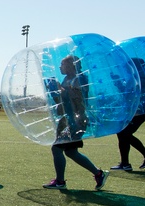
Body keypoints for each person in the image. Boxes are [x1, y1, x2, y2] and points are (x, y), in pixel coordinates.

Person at [43, 54, 107, 191]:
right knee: (71, 152)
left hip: (75, 121)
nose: (60, 67)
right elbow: (62, 104)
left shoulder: (80, 79)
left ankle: (60, 181)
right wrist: (54, 92)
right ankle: (98, 173)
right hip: (67, 120)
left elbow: (76, 99)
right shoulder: (67, 79)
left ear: (72, 66)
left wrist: (59, 90)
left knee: (57, 148)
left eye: (63, 64)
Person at [111, 58, 145, 172]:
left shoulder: (140, 77)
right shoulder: (139, 76)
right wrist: (117, 82)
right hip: (138, 109)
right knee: (123, 133)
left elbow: (131, 93)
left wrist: (118, 82)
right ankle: (125, 163)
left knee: (125, 133)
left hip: (141, 110)